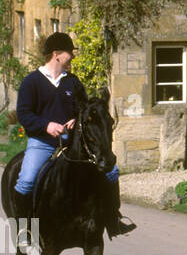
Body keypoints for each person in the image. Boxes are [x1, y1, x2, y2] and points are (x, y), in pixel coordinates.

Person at [13, 32, 135, 239]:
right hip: (42, 143)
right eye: (70, 53)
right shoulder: (31, 82)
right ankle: (26, 231)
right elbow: (24, 114)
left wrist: (76, 119)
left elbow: (84, 110)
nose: (73, 57)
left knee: (111, 171)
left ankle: (113, 220)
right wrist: (46, 125)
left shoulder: (73, 83)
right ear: (57, 54)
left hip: (73, 144)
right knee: (26, 181)